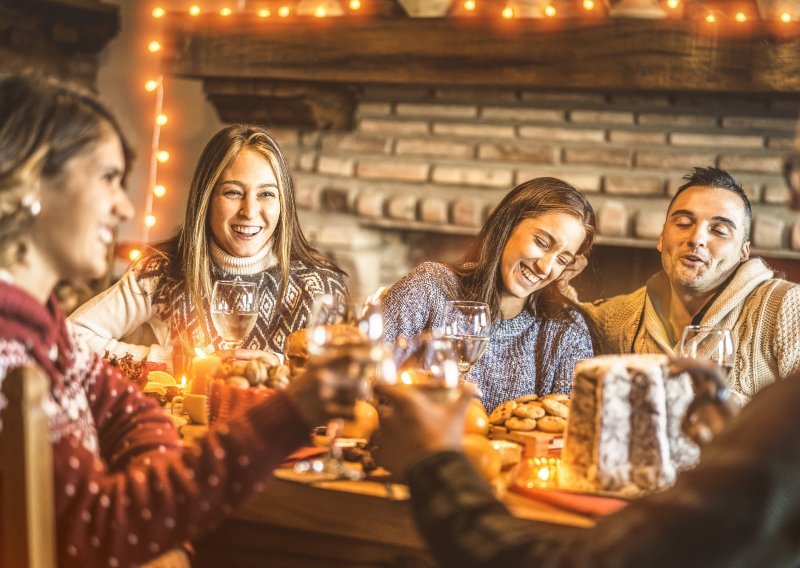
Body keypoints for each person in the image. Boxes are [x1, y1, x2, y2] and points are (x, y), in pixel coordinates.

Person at [0, 73, 354, 567]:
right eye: (108, 178)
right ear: (32, 186)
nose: (125, 206)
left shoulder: (44, 325)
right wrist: (290, 415)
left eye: (267, 194)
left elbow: (132, 415)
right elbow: (100, 531)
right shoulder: (9, 349)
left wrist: (154, 500)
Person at [69, 124, 348, 371]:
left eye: (266, 194)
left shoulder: (320, 285)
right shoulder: (162, 270)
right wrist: (170, 362)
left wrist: (280, 366)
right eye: (233, 192)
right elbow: (71, 338)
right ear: (206, 198)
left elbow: (341, 376)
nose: (249, 211)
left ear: (283, 203)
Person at [566, 166, 800, 402]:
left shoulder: (787, 307)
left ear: (743, 251)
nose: (696, 239)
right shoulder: (620, 317)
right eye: (684, 223)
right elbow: (566, 322)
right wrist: (557, 274)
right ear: (661, 238)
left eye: (719, 231)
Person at [381, 178, 596, 412]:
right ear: (508, 224)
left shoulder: (566, 330)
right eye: (542, 242)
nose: (545, 267)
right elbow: (359, 376)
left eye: (562, 260)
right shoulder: (429, 287)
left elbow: (573, 428)